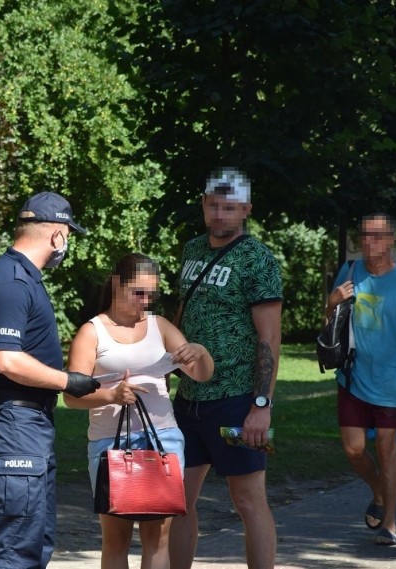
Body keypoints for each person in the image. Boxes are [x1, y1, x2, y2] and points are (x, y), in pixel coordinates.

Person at [0, 191, 99, 568]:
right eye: (68, 236)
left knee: (35, 540)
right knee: (15, 546)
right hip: (16, 423)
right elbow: (8, 359)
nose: (67, 245)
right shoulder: (12, 281)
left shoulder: (24, 277)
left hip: (30, 423)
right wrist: (67, 381)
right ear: (57, 235)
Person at [64, 252, 214, 569]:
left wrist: (200, 352)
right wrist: (112, 395)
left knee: (158, 541)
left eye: (151, 294)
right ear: (118, 284)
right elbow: (72, 398)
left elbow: (202, 374)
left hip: (163, 440)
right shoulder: (92, 332)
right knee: (115, 541)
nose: (145, 302)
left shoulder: (160, 326)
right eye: (138, 292)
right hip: (110, 445)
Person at [168, 167, 282, 569]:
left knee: (248, 501)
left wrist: (261, 405)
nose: (220, 215)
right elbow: (184, 313)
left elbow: (269, 337)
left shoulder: (258, 259)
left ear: (246, 209)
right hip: (189, 401)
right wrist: (165, 360)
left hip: (236, 403)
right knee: (177, 501)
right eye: (213, 205)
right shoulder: (192, 250)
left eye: (229, 208)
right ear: (203, 204)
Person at [325, 213, 396, 546]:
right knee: (353, 450)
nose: (368, 241)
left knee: (386, 449)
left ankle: (389, 524)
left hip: (394, 381)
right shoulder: (349, 272)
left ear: (392, 240)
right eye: (364, 234)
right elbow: (328, 322)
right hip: (353, 377)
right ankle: (377, 489)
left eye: (377, 235)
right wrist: (332, 302)